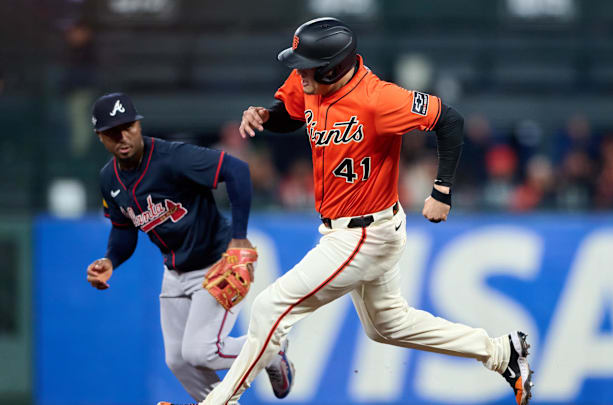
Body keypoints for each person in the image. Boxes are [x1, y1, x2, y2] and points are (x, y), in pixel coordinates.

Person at [171, 17, 533, 405]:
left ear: (331, 67)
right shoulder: (311, 82)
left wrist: (441, 191)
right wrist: (265, 115)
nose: (298, 71)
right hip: (345, 229)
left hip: (366, 232)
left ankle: (218, 401)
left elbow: (450, 120)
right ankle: (501, 353)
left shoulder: (378, 98)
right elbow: (289, 113)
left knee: (270, 306)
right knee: (387, 326)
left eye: (306, 64)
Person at [84, 93, 295, 403]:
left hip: (216, 261)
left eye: (128, 126)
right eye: (113, 132)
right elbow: (123, 230)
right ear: (101, 137)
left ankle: (272, 350)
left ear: (138, 126)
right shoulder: (108, 179)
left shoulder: (171, 157)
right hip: (175, 271)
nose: (123, 136)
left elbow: (235, 170)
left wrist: (239, 237)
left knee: (202, 352)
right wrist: (111, 260)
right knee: (178, 361)